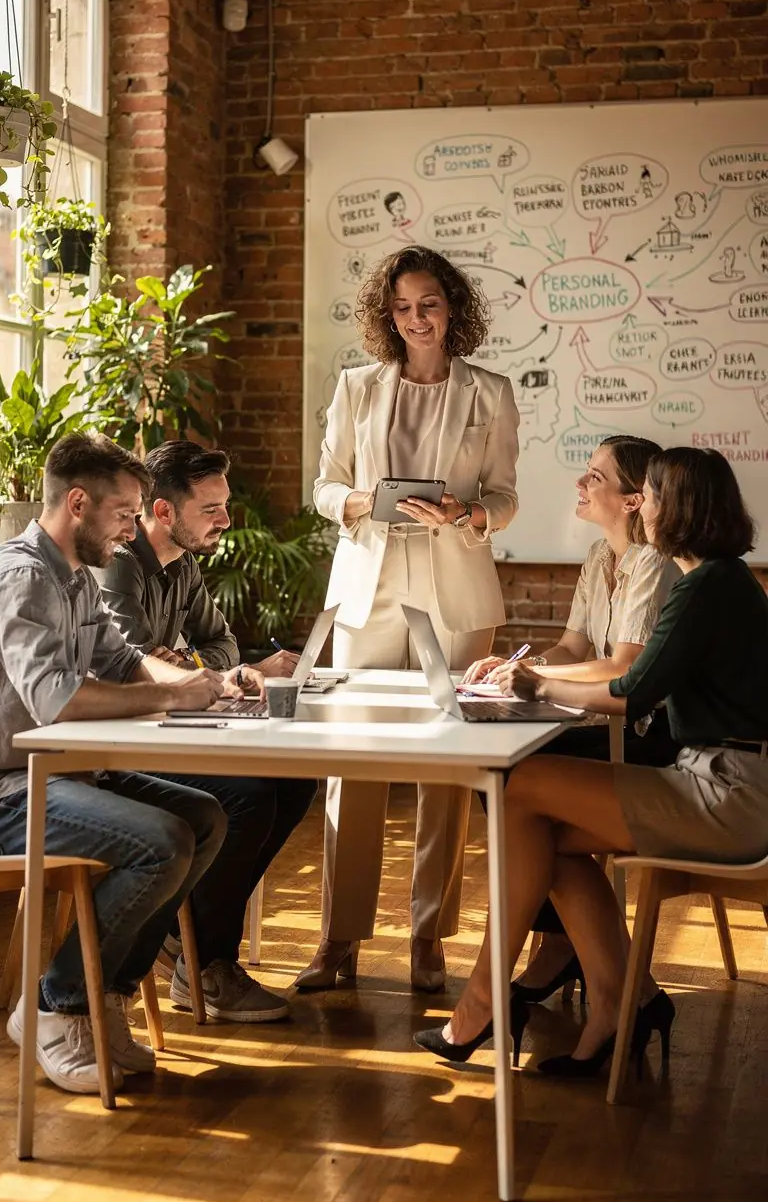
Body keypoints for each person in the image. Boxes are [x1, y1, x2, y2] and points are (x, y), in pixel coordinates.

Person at [415, 447, 768, 1076]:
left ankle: (487, 1002)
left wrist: (539, 685)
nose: (644, 508)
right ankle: (620, 1003)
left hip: (728, 794)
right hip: (719, 781)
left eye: (650, 497)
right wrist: (539, 679)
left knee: (520, 788)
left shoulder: (704, 587)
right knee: (541, 832)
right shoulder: (718, 580)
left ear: (674, 508)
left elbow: (632, 691)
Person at [0, 433, 232, 1096]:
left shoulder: (74, 575)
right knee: (162, 842)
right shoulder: (22, 577)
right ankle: (57, 1005)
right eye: (124, 514)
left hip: (58, 774)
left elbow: (124, 662)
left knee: (204, 817)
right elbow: (57, 699)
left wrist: (210, 684)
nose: (133, 530)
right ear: (78, 503)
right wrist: (173, 695)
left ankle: (103, 996)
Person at [300, 245, 520, 993]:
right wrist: (363, 501)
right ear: (385, 315)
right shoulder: (356, 386)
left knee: (446, 769)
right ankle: (338, 937)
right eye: (401, 307)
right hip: (369, 584)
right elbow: (325, 488)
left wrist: (465, 512)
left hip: (455, 587)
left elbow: (505, 496)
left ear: (452, 307)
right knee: (352, 762)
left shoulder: (490, 392)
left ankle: (429, 937)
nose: (416, 318)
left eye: (428, 303)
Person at [95, 440, 318, 1022]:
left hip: (165, 727)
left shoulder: (184, 564)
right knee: (248, 797)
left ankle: (184, 941)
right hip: (119, 743)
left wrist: (191, 664)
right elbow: (133, 663)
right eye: (211, 508)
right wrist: (185, 667)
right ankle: (208, 964)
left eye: (225, 505)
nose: (226, 520)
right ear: (163, 511)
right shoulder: (120, 562)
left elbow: (222, 644)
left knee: (295, 782)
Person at [463, 434, 681, 1001]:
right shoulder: (598, 558)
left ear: (633, 500)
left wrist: (535, 680)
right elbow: (572, 647)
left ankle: (562, 946)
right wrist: (520, 665)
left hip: (651, 736)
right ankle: (568, 945)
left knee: (512, 778)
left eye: (595, 477)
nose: (580, 483)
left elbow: (622, 666)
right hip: (610, 723)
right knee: (501, 770)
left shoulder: (654, 563)